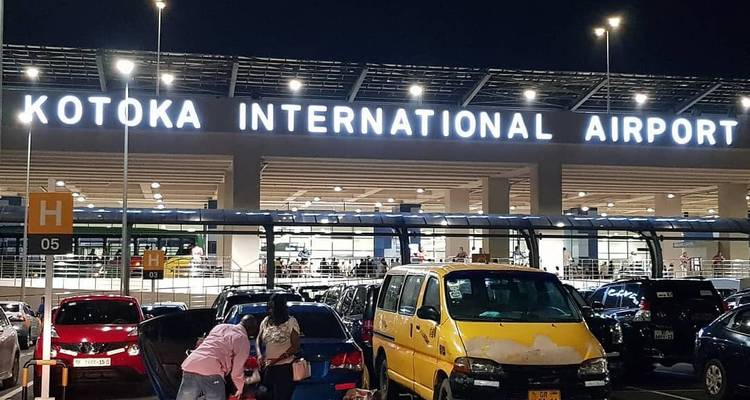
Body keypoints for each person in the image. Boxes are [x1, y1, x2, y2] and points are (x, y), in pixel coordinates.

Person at [177, 315, 258, 400]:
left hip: (191, 364)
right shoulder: (243, 340)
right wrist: (240, 388)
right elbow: (236, 373)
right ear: (252, 330)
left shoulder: (220, 327)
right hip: (212, 369)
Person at [257, 295, 300, 400]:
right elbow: (258, 339)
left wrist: (277, 360)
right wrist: (259, 354)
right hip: (268, 368)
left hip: (284, 368)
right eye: (269, 308)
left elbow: (295, 347)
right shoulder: (266, 321)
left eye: (273, 308)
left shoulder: (291, 322)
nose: (270, 310)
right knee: (264, 395)